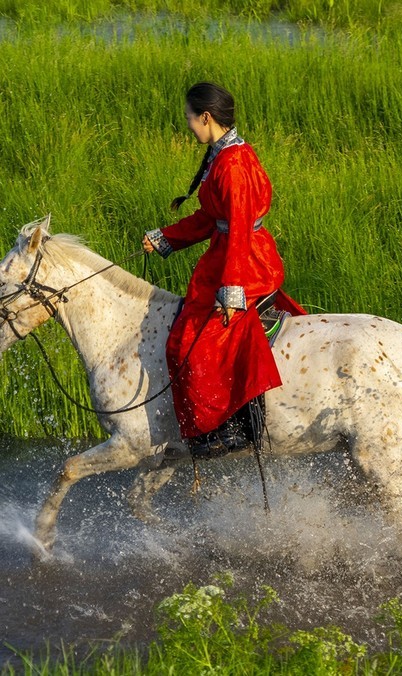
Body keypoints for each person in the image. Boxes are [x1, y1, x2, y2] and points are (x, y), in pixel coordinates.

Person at [143, 82, 304, 458]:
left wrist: (232, 291)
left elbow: (238, 231)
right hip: (231, 255)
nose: (188, 126)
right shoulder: (226, 154)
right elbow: (211, 218)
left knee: (192, 344)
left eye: (189, 119)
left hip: (245, 262)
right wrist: (166, 238)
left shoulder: (232, 165)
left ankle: (229, 428)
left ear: (206, 117)